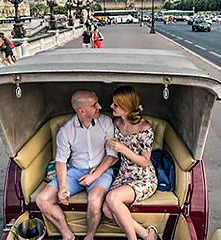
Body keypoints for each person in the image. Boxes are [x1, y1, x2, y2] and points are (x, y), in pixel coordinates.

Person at [36, 90, 117, 240]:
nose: (99, 106)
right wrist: (62, 187)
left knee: (94, 201)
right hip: (75, 172)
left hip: (101, 171)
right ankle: (67, 234)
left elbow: (112, 155)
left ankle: (89, 236)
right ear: (82, 111)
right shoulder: (65, 131)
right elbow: (61, 160)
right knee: (42, 200)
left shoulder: (106, 122)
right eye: (94, 105)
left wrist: (94, 176)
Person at [103, 86, 158, 240]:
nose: (111, 107)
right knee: (107, 210)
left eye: (116, 104)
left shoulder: (144, 128)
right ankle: (147, 235)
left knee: (113, 198)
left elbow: (145, 162)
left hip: (143, 177)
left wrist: (123, 149)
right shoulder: (116, 124)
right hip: (124, 174)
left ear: (126, 107)